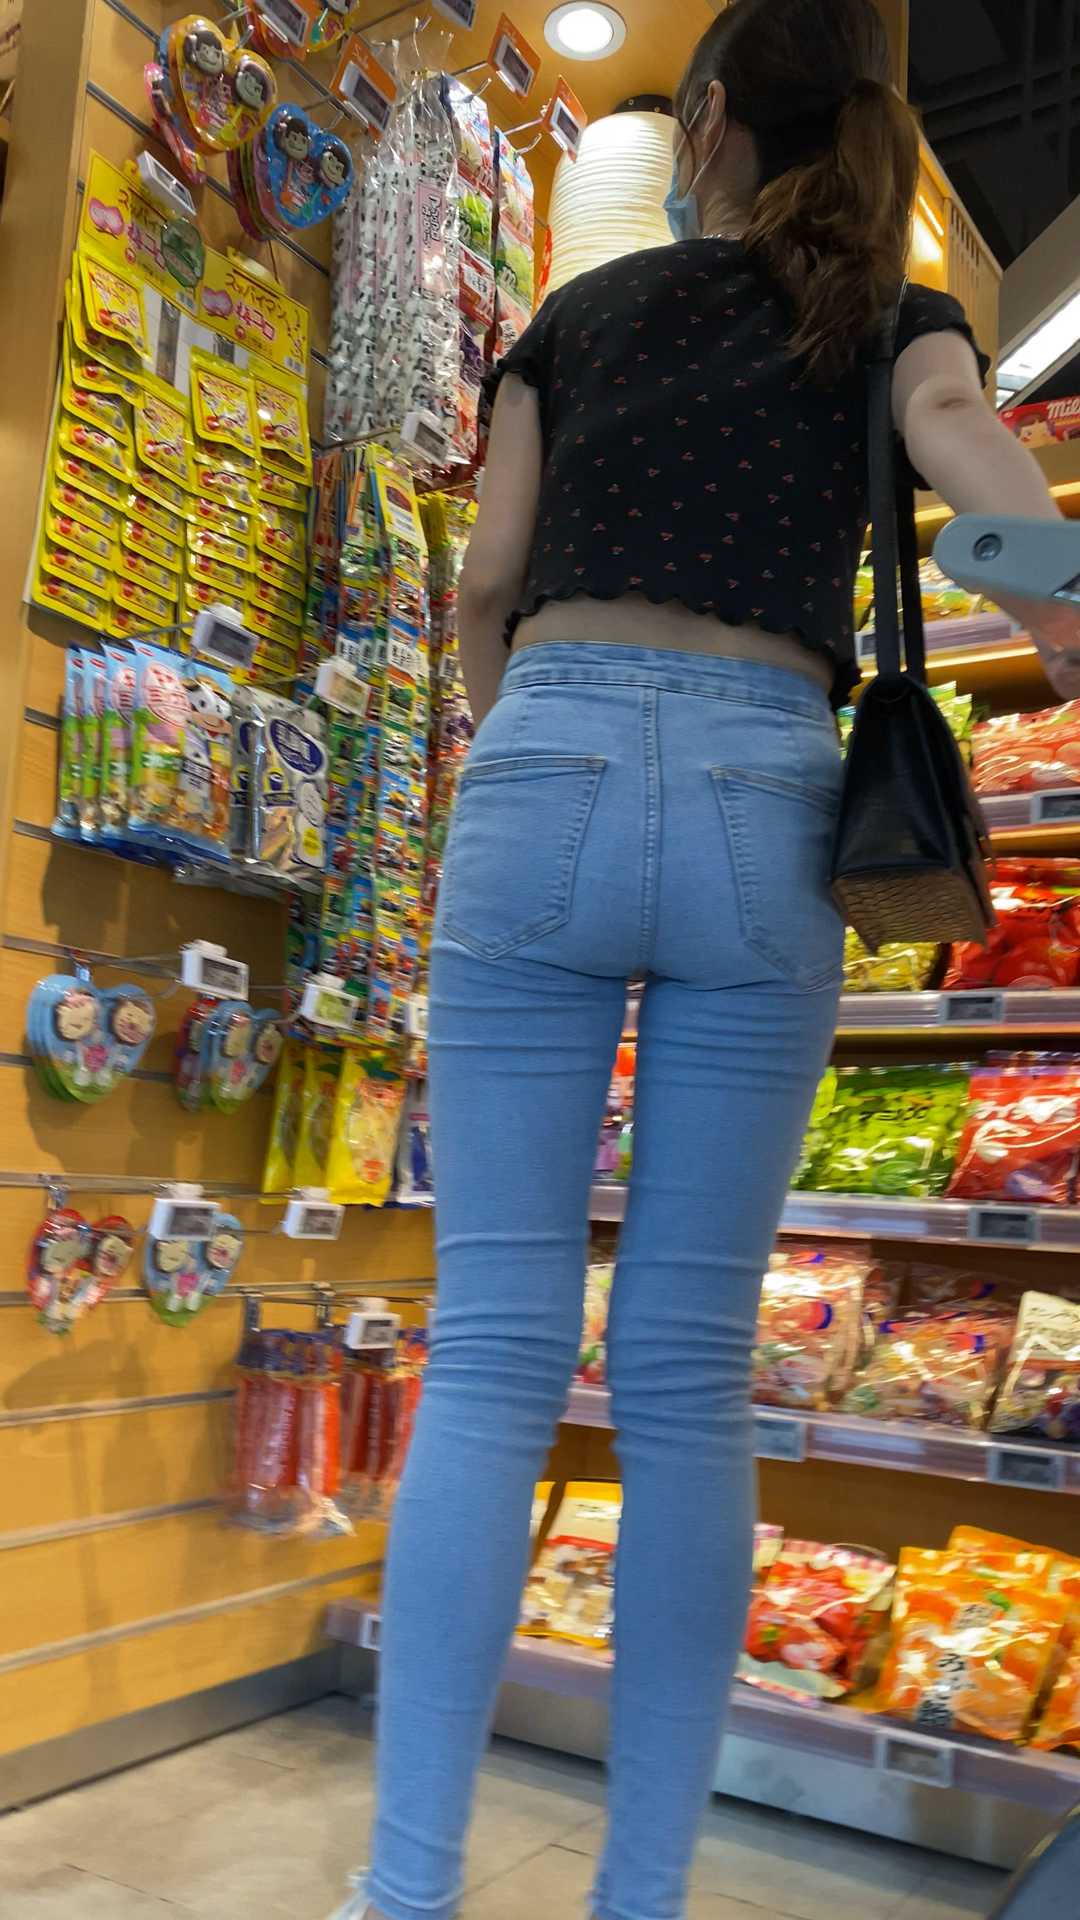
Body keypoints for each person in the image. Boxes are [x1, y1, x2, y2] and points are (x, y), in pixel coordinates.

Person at [329, 3, 1070, 1916]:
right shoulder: (890, 321)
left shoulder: (579, 317)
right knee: (684, 1378)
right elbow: (971, 468)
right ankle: (640, 1898)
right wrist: (1068, 621)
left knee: (492, 1356)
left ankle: (404, 1895)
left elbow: (487, 585)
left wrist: (529, 733)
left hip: (548, 760)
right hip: (767, 800)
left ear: (712, 121)